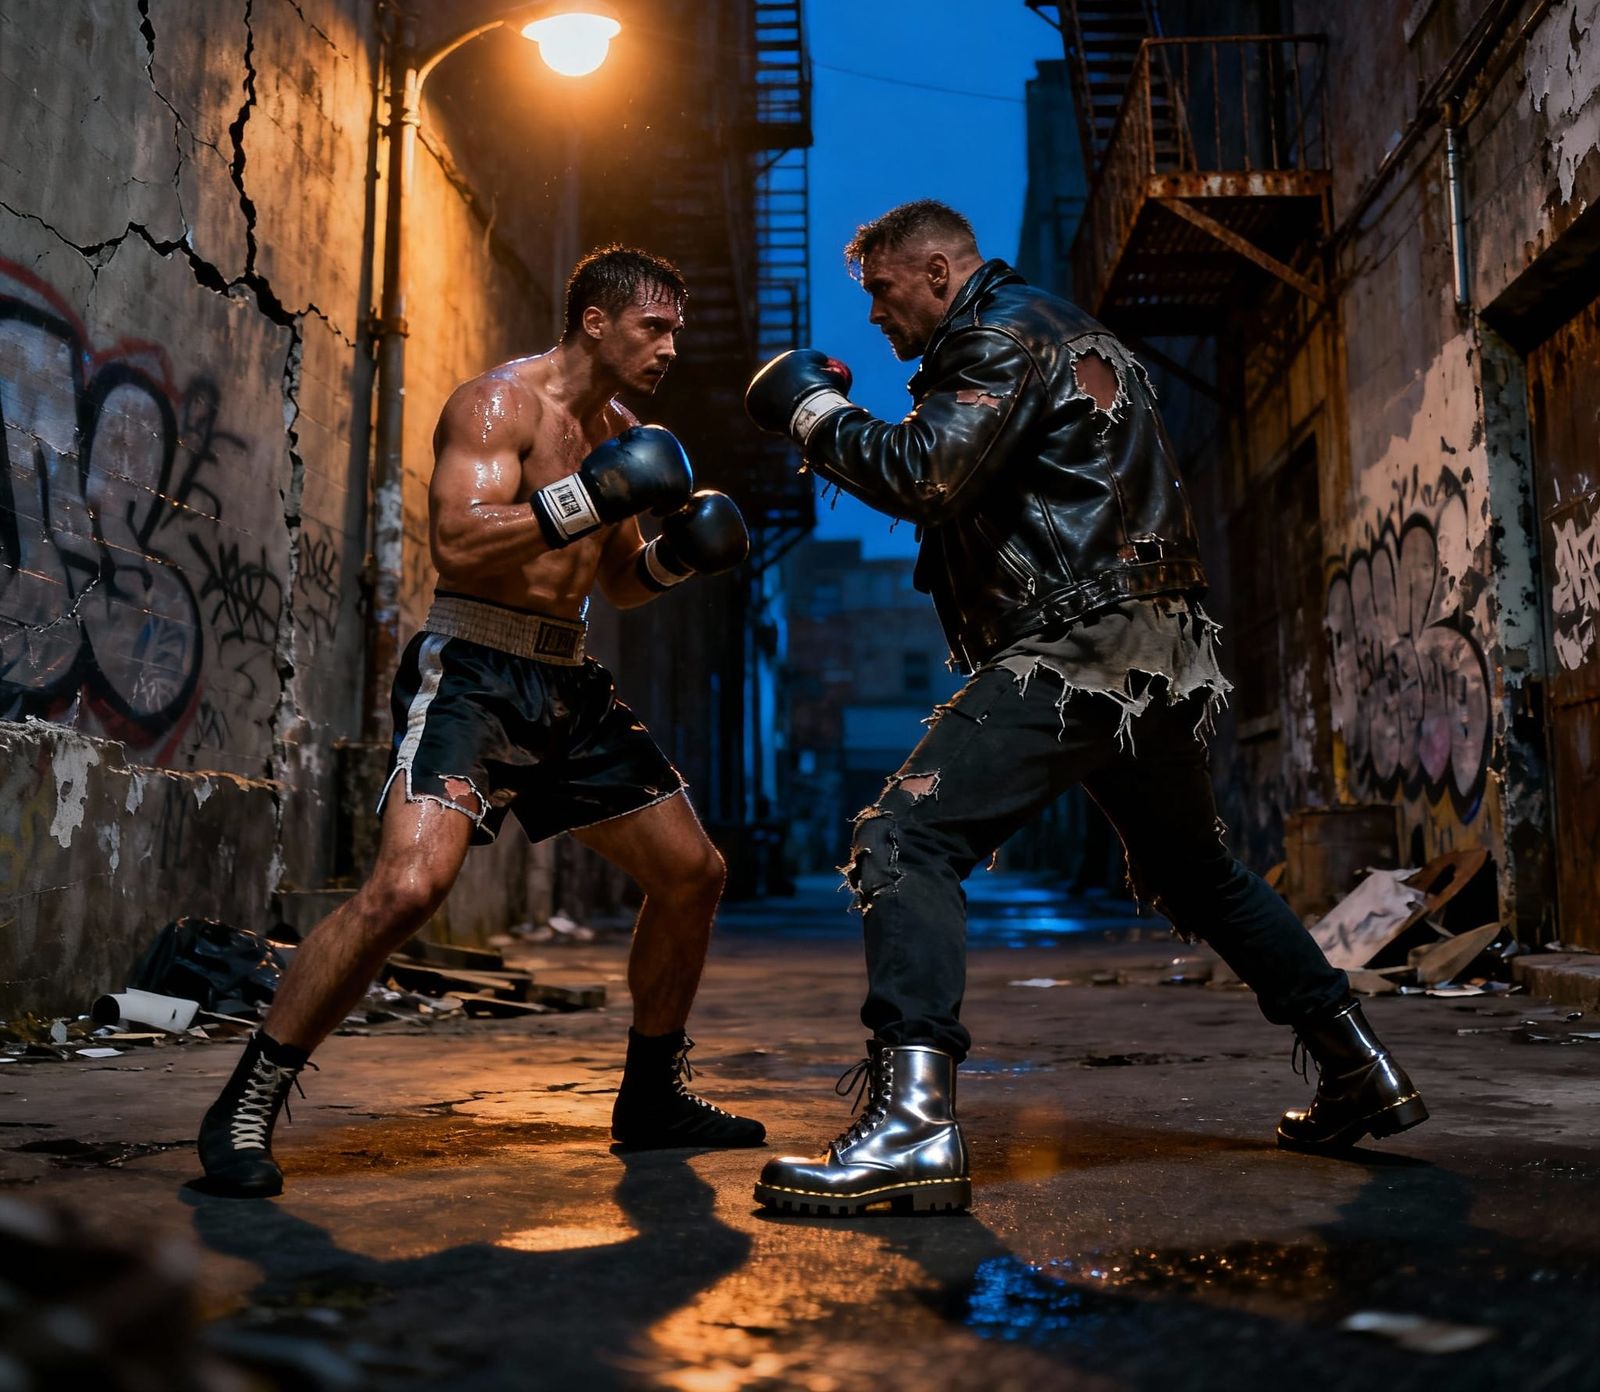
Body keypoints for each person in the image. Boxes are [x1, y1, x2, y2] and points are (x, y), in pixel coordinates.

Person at [744, 200, 1426, 1216]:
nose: (876, 317)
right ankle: (1358, 1066)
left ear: (938, 272)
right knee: (1197, 873)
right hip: (1151, 649)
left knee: (903, 838)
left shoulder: (1000, 334)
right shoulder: (1056, 331)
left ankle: (913, 1125)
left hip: (1081, 644)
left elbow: (924, 474)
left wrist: (811, 410)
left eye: (883, 292)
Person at [198, 245, 764, 1197]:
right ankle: (246, 1102)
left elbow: (620, 584)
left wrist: (679, 558)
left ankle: (652, 1096)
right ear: (596, 322)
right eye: (654, 327)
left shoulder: (621, 431)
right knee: (407, 889)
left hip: (567, 678)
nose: (671, 347)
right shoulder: (498, 406)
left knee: (692, 873)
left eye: (676, 330)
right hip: (474, 668)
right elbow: (459, 544)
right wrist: (593, 493)